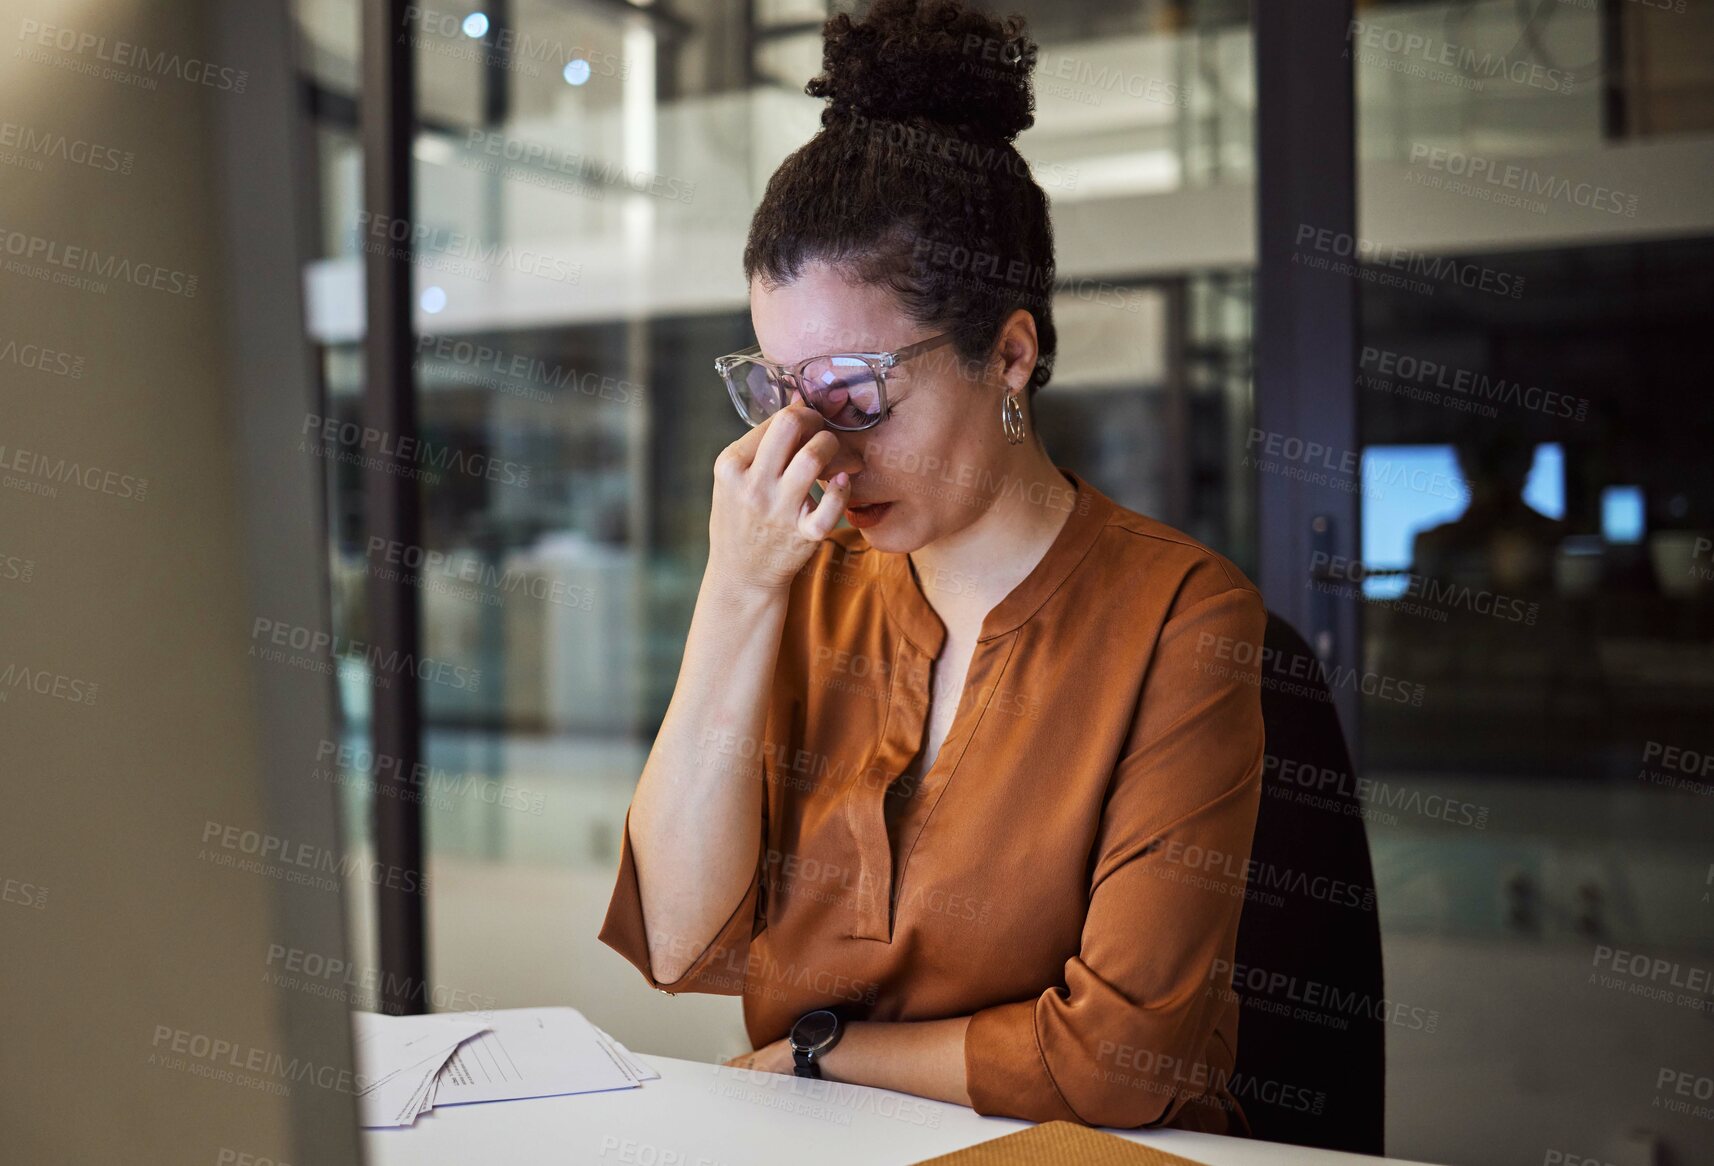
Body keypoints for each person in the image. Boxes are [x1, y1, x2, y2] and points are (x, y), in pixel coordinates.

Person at [599, 0, 1267, 1133]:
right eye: (778, 389)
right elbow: (675, 940)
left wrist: (823, 1056)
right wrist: (737, 586)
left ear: (1008, 353)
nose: (814, 447)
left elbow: (1118, 1058)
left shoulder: (1178, 619)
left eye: (854, 389)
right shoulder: (802, 579)